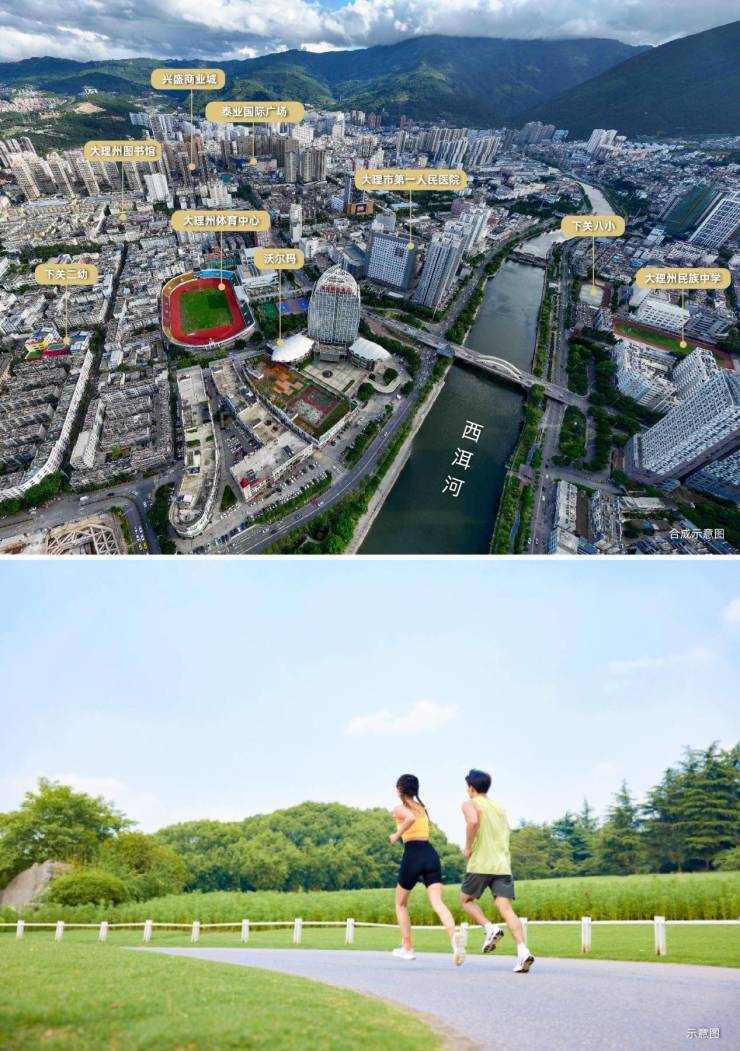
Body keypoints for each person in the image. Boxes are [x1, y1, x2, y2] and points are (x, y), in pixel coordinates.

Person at [460, 768, 535, 973]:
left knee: (466, 900)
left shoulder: (470, 803)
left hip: (481, 863)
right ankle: (523, 951)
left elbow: (473, 821)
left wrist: (467, 847)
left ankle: (490, 928)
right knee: (506, 909)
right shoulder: (499, 807)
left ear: (471, 788)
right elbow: (507, 830)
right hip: (502, 865)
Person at [389, 773, 466, 966]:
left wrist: (396, 835)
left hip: (413, 855)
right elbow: (414, 818)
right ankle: (454, 938)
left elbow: (409, 819)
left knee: (400, 904)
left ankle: (407, 947)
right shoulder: (422, 808)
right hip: (430, 855)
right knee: (438, 903)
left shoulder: (399, 809)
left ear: (400, 790)